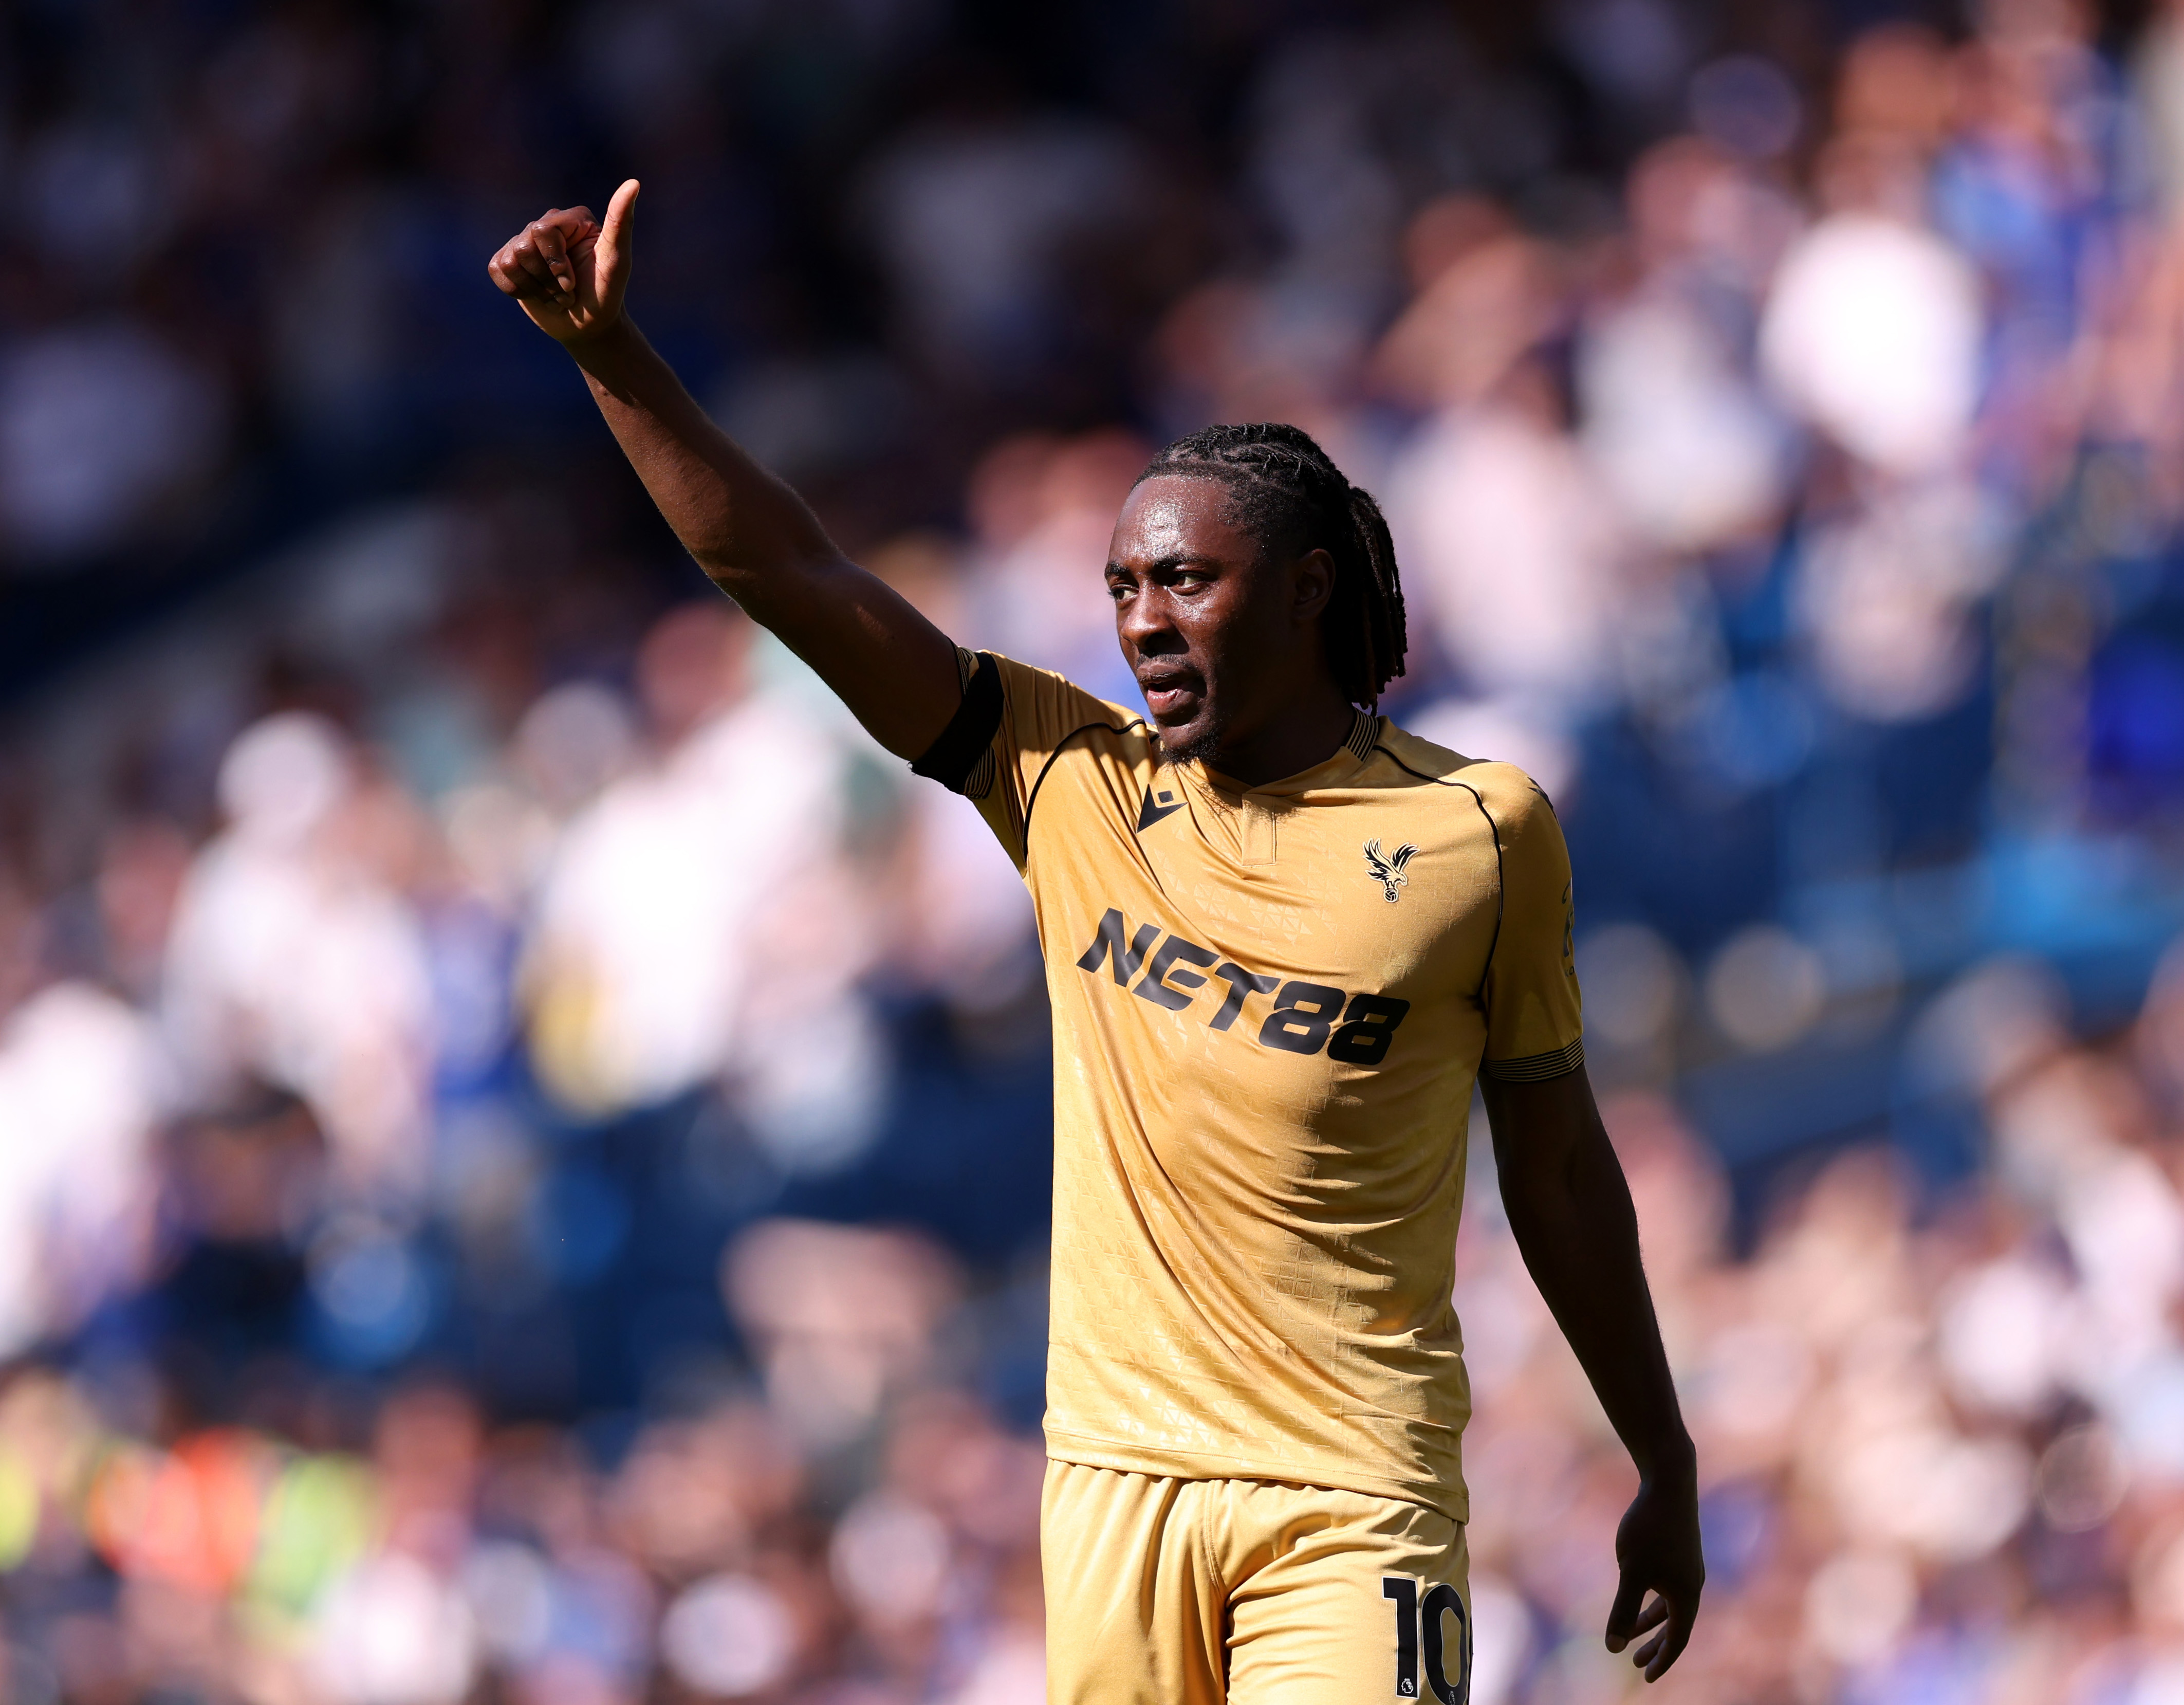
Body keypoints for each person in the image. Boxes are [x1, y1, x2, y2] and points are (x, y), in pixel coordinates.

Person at [489, 181, 1704, 1703]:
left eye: (1185, 579)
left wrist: (1660, 1454)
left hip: (1351, 1496)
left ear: (1310, 589)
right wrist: (615, 359)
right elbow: (794, 580)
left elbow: (1562, 1166)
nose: (1140, 621)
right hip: (1116, 1505)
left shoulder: (1479, 832)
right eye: (1124, 586)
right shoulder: (1069, 779)